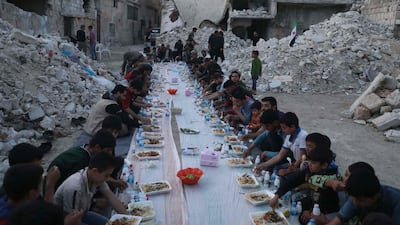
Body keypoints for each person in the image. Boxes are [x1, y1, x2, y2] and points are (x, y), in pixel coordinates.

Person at [269, 147, 341, 225]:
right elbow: (293, 180)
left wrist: (310, 211)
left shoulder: (330, 177)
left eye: (313, 163)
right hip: (313, 200)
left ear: (324, 165)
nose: (310, 164)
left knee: (303, 219)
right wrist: (277, 195)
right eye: (310, 161)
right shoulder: (311, 170)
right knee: (293, 208)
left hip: (325, 210)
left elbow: (323, 200)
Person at [54, 153, 128, 225]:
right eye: (106, 175)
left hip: (83, 213)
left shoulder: (95, 178)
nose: (107, 179)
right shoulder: (75, 188)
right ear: (95, 171)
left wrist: (128, 217)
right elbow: (71, 218)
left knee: (110, 223)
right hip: (65, 220)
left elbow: (111, 197)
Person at [44, 130, 117, 202]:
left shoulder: (85, 149)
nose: (109, 154)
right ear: (97, 147)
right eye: (107, 151)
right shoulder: (81, 161)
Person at [326, 169, 400, 225]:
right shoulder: (357, 197)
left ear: (376, 196)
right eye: (353, 198)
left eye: (360, 200)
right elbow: (338, 220)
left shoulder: (396, 201)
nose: (355, 203)